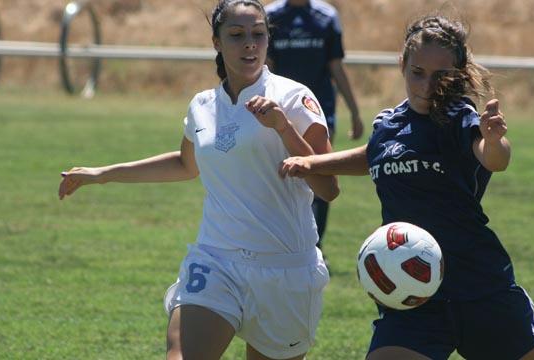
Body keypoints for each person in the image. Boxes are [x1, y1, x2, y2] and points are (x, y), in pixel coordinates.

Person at [58, 1, 338, 359]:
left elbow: (328, 188)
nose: (250, 44)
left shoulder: (294, 98)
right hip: (215, 259)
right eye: (237, 35)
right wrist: (102, 174)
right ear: (217, 42)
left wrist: (283, 128)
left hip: (285, 270)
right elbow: (184, 164)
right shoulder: (203, 104)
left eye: (258, 34)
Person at [280, 14, 534, 360]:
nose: (426, 86)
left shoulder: (459, 118)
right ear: (402, 64)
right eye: (417, 72)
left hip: (481, 286)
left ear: (458, 75)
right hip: (413, 290)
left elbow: (494, 157)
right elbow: (373, 157)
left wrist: (494, 140)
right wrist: (312, 164)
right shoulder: (388, 125)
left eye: (441, 76)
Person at [265, 0, 364, 252]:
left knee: (321, 176)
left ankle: (315, 246)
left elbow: (336, 67)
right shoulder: (270, 15)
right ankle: (278, 243)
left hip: (318, 114)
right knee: (280, 177)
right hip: (278, 114)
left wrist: (354, 111)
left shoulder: (327, 16)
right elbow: (265, 67)